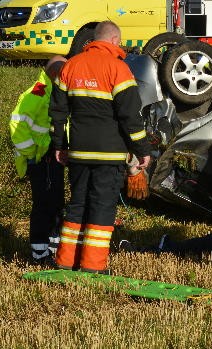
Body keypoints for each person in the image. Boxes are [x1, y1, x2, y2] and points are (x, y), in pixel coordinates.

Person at [50, 21, 151, 273]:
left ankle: (65, 261)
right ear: (115, 40)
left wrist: (59, 145)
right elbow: (131, 117)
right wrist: (142, 149)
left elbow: (58, 113)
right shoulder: (119, 69)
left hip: (78, 152)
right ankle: (93, 266)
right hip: (110, 154)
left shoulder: (71, 66)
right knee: (102, 207)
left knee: (77, 204)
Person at [10, 56, 67, 264]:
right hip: (40, 159)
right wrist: (33, 154)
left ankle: (53, 248)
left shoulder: (53, 90)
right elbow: (16, 125)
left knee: (56, 204)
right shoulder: (37, 93)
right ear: (57, 74)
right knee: (43, 206)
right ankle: (39, 253)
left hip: (53, 156)